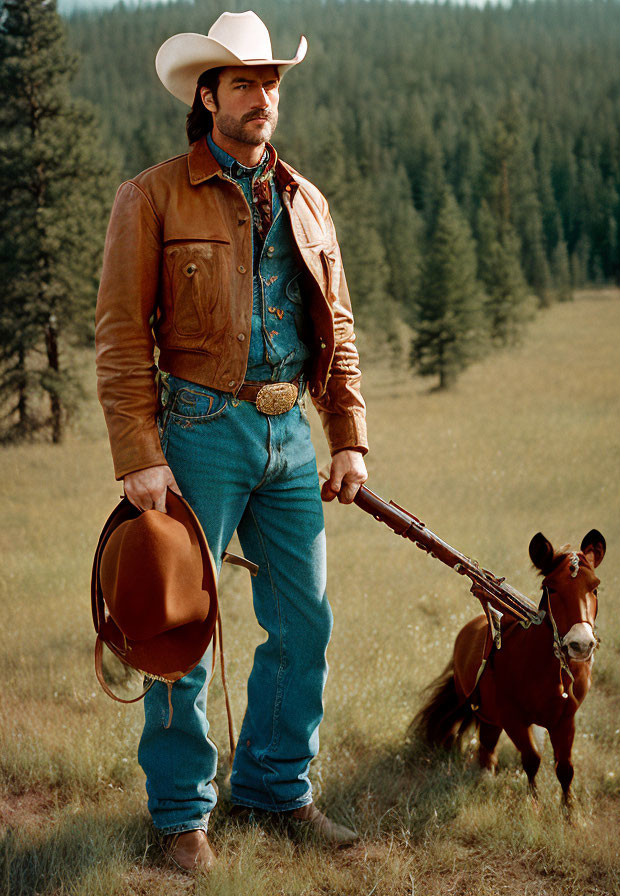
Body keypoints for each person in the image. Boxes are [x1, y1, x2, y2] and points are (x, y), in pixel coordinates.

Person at [95, 10, 368, 871]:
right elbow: (117, 334)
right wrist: (140, 451)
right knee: (179, 625)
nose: (262, 98)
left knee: (304, 625)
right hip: (200, 430)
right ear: (206, 94)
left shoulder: (306, 200)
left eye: (271, 83)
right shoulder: (152, 196)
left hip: (291, 431)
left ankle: (274, 791)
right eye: (245, 83)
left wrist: (348, 436)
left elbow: (342, 325)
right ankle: (180, 818)